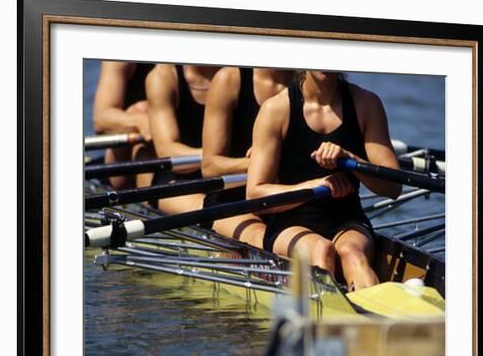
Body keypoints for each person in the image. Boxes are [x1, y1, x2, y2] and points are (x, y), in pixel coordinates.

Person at [246, 71, 401, 290]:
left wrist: (352, 161)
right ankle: (330, 316)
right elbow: (255, 193)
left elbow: (393, 187)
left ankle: (375, 318)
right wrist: (313, 186)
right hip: (290, 223)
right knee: (322, 250)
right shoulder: (276, 109)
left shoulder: (366, 104)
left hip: (347, 220)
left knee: (352, 254)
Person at [201, 67, 293, 248]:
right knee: (263, 237)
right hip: (231, 201)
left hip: (284, 201)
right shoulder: (229, 80)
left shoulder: (308, 85)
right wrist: (262, 160)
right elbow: (210, 166)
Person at [146, 64, 219, 214]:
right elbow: (167, 150)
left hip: (231, 175)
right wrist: (219, 159)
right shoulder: (163, 77)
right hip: (178, 179)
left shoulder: (243, 75)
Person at [93, 61, 154, 189]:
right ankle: (151, 197)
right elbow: (101, 119)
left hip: (186, 150)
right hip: (129, 157)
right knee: (142, 110)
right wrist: (148, 124)